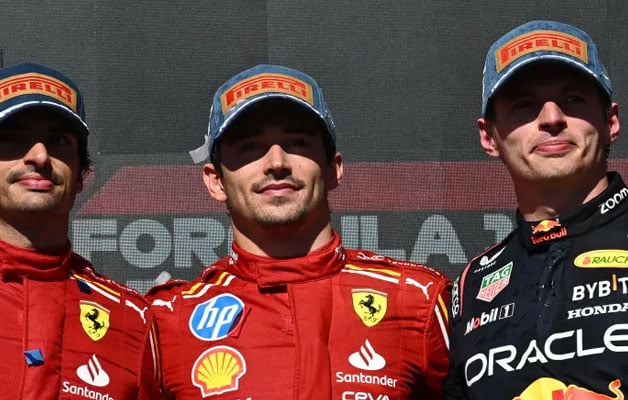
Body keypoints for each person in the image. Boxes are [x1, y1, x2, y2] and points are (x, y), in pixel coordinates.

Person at [146, 64, 452, 399]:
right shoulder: (167, 319)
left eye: (297, 142)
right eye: (250, 147)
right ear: (215, 181)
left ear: (333, 169)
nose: (277, 162)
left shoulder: (416, 299)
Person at [0, 63, 163, 399]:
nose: (39, 156)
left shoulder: (131, 319)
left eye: (57, 141)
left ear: (81, 175)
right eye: (12, 138)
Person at [445, 20, 628, 399]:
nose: (551, 119)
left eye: (573, 99)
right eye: (524, 106)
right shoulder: (471, 285)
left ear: (610, 121)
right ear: (489, 136)